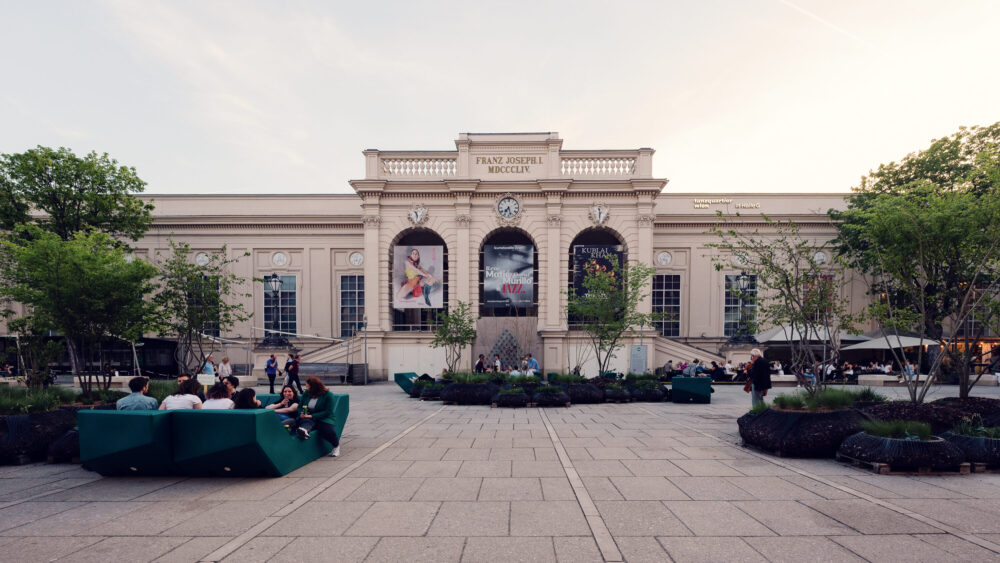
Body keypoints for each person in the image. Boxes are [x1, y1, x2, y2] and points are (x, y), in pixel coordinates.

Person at [296, 377, 341, 457]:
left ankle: (336, 446)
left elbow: (328, 412)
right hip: (308, 417)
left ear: (315, 387)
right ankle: (304, 431)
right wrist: (301, 413)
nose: (306, 388)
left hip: (324, 418)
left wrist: (312, 415)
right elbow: (300, 407)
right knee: (306, 422)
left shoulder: (328, 395)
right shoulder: (306, 393)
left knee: (327, 430)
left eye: (308, 386)